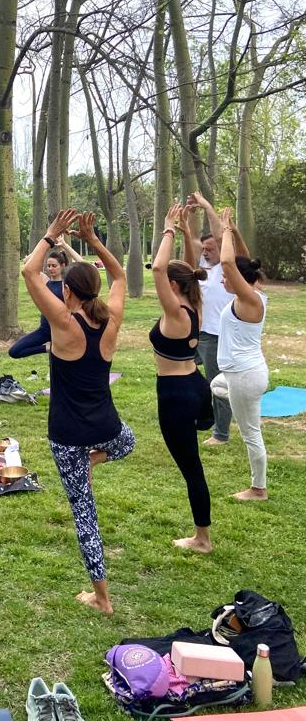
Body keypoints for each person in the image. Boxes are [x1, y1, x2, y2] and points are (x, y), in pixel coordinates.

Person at [22, 209, 135, 615]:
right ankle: (96, 457)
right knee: (128, 440)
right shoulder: (111, 320)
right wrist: (94, 239)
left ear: (67, 292)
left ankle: (101, 597)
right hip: (105, 425)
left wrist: (52, 234)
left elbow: (29, 272)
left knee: (84, 511)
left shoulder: (63, 323)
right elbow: (120, 278)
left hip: (68, 433)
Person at [149, 203, 213, 552]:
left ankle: (202, 539)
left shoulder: (175, 312)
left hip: (176, 394)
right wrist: (188, 231)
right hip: (195, 385)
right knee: (192, 465)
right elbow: (186, 270)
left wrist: (169, 228)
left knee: (191, 468)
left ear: (172, 285)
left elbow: (160, 267)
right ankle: (201, 534)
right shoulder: (194, 303)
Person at [212, 208, 269, 501]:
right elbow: (242, 261)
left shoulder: (250, 300)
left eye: (226, 276)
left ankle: (258, 489)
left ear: (239, 278)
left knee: (250, 433)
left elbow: (228, 260)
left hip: (245, 374)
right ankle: (246, 400)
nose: (223, 279)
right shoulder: (252, 291)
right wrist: (232, 228)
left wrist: (224, 232)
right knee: (214, 386)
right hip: (244, 372)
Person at [185, 191, 242, 446]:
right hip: (199, 333)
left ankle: (221, 433)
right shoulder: (204, 268)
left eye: (211, 249)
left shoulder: (228, 267)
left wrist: (207, 205)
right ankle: (199, 413)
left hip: (219, 336)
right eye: (204, 249)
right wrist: (191, 215)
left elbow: (220, 234)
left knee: (217, 382)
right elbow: (195, 240)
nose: (205, 252)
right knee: (183, 368)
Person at [9, 238, 82, 365]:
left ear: (63, 266)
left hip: (63, 330)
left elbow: (83, 265)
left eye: (54, 266)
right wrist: (45, 245)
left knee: (63, 365)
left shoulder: (68, 283)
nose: (50, 269)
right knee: (14, 351)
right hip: (45, 330)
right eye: (48, 266)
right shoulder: (45, 280)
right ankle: (50, 349)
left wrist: (65, 245)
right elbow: (27, 263)